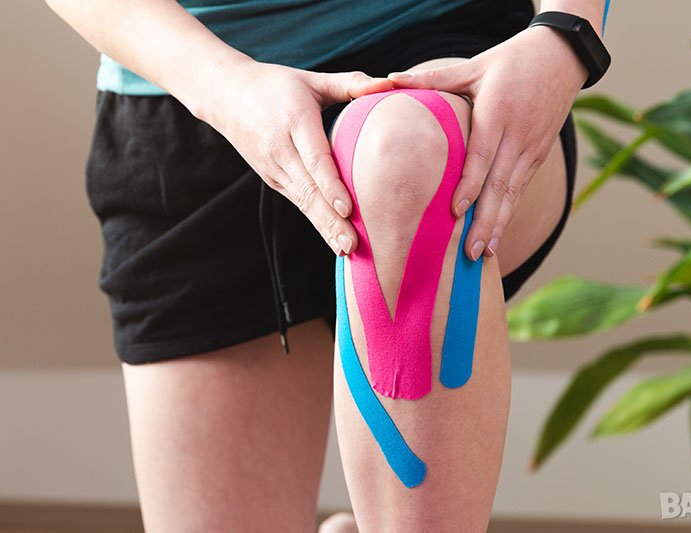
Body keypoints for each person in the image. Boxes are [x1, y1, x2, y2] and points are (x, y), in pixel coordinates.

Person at [46, 0, 608, 531]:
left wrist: (566, 36)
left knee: (404, 156)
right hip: (191, 85)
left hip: (438, 58)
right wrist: (225, 87)